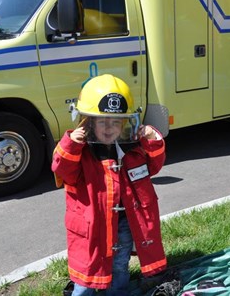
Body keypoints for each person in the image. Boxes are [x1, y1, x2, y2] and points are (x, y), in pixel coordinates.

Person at [51, 74, 177, 296]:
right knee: (88, 272)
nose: (109, 128)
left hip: (124, 223)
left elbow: (154, 166)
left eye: (116, 122)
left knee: (120, 265)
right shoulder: (81, 153)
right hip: (93, 227)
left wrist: (152, 139)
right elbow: (62, 171)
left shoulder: (133, 150)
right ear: (88, 122)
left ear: (125, 123)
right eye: (102, 122)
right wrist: (71, 144)